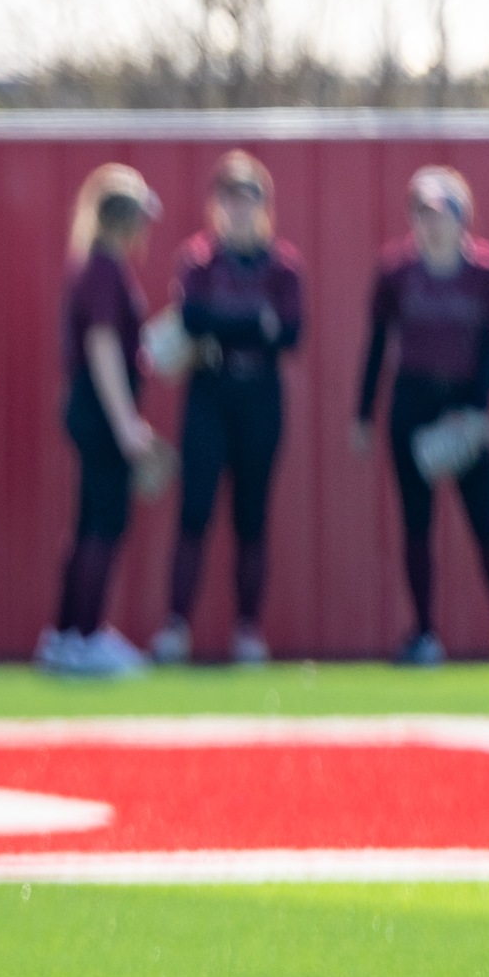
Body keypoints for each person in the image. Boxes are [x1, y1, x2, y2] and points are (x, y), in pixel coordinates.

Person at [352, 166, 489, 666]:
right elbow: (379, 344)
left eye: (440, 213)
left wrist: (474, 413)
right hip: (411, 402)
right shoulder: (396, 271)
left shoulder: (486, 275)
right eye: (421, 213)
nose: (430, 224)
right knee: (417, 523)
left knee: (485, 522)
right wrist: (363, 413)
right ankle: (424, 632)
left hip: (462, 406)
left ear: (461, 217)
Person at [151, 153, 305, 667]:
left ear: (263, 207)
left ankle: (247, 629)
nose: (239, 211)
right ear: (216, 206)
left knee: (251, 517)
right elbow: (193, 320)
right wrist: (248, 325)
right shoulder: (198, 259)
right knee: (194, 511)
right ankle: (176, 626)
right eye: (230, 200)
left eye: (249, 200)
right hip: (209, 394)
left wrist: (229, 328)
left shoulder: (282, 265)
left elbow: (288, 333)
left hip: (258, 395)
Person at [38, 164, 164, 678]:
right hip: (99, 410)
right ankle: (85, 636)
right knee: (104, 521)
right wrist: (127, 423)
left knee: (89, 520)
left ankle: (66, 634)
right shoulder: (107, 269)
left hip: (87, 408)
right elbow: (103, 345)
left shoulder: (93, 265)